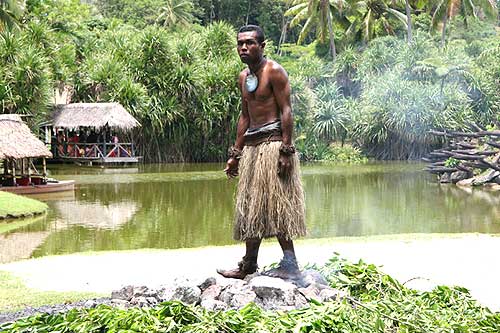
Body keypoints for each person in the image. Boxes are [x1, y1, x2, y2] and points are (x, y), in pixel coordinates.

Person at [217, 25, 306, 280]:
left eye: (250, 43)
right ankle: (248, 265)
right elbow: (245, 116)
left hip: (274, 146)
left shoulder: (274, 71)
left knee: (279, 205)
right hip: (253, 149)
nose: (244, 48)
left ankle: (290, 264)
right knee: (251, 206)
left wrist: (286, 151)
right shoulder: (243, 77)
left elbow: (287, 111)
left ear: (262, 46)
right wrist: (236, 154)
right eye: (240, 44)